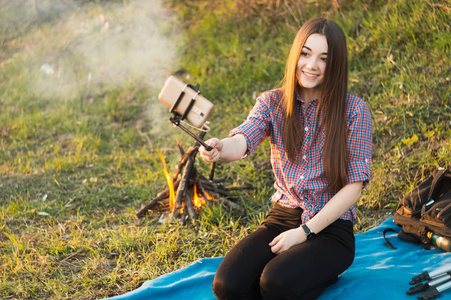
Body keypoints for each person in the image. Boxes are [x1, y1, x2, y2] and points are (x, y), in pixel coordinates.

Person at [199, 17, 372, 300]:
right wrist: (220, 148)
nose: (311, 65)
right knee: (227, 285)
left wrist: (304, 232)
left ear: (336, 64)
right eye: (305, 53)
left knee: (274, 282)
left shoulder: (354, 111)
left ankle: (323, 274)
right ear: (296, 55)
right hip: (283, 216)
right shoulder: (272, 103)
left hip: (330, 227)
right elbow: (242, 141)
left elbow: (354, 187)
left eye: (323, 58)